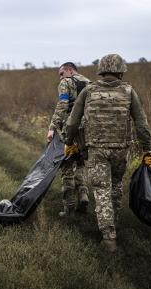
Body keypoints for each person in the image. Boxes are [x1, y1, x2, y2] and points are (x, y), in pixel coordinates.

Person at [63, 54, 151, 252]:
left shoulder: (88, 91)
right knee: (115, 186)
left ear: (101, 71)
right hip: (121, 150)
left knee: (101, 189)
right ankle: (113, 224)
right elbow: (142, 124)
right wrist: (148, 148)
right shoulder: (129, 92)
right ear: (121, 71)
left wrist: (68, 143)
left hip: (96, 150)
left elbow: (72, 122)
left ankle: (108, 236)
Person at [46, 62, 91, 217]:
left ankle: (69, 208)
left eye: (61, 73)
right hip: (87, 132)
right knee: (80, 164)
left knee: (66, 167)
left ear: (70, 70)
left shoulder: (66, 83)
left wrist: (52, 127)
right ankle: (84, 196)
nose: (60, 78)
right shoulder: (89, 83)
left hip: (71, 131)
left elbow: (62, 105)